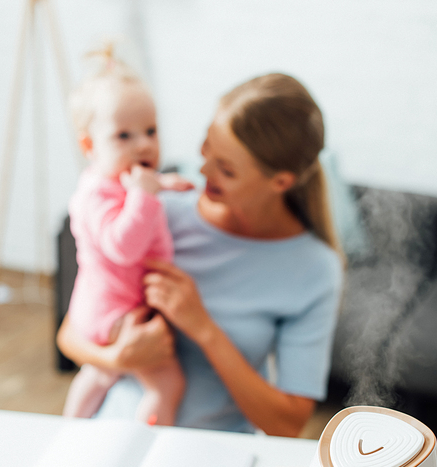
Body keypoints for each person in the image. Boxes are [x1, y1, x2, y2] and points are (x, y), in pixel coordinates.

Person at [57, 73, 344, 438]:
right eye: (207, 149)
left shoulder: (314, 269)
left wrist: (204, 329)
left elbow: (287, 424)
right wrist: (118, 359)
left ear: (281, 182)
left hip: (214, 453)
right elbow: (71, 332)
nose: (203, 171)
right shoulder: (154, 212)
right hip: (110, 434)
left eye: (226, 169)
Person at [61, 47, 192, 425]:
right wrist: (148, 194)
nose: (143, 144)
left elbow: (136, 189)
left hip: (109, 306)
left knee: (101, 374)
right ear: (89, 146)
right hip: (112, 311)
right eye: (124, 135)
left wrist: (163, 184)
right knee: (166, 385)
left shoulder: (117, 182)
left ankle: (70, 428)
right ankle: (146, 443)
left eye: (151, 131)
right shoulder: (94, 195)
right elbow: (123, 244)